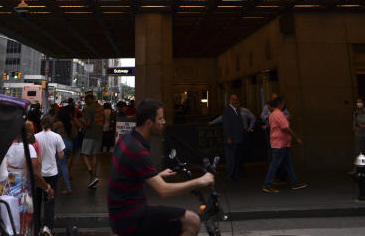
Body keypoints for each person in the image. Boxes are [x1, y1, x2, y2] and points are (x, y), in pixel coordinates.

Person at [107, 99, 213, 236]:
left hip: (120, 214)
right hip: (130, 217)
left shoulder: (126, 139)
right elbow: (164, 191)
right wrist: (201, 181)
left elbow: (127, 175)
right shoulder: (138, 150)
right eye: (161, 118)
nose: (164, 122)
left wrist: (157, 176)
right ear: (149, 123)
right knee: (192, 220)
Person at [6, 120, 53, 236]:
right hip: (22, 197)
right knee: (23, 228)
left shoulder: (9, 148)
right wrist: (48, 188)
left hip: (7, 195)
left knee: (10, 227)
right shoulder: (29, 149)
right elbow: (35, 175)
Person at [262, 97, 308, 193]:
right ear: (279, 104)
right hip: (280, 144)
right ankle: (267, 184)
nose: (284, 105)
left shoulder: (272, 114)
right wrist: (296, 138)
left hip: (281, 143)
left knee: (288, 164)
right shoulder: (278, 114)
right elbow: (285, 128)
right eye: (283, 103)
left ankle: (295, 183)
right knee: (275, 164)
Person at [34, 115, 64, 236]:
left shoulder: (35, 137)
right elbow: (61, 155)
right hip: (52, 173)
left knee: (36, 201)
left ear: (41, 124)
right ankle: (47, 227)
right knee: (49, 200)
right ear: (52, 124)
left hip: (38, 174)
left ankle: (36, 227)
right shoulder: (57, 137)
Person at [208, 94, 249, 181]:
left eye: (237, 99)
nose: (235, 101)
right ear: (230, 101)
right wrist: (229, 137)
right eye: (234, 100)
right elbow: (226, 126)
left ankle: (234, 175)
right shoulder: (227, 111)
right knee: (231, 158)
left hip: (238, 139)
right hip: (231, 139)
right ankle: (229, 176)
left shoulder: (237, 110)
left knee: (237, 158)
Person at [80, 93, 104, 188]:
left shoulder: (89, 108)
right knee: (94, 155)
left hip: (90, 134)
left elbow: (88, 123)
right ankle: (93, 179)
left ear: (89, 99)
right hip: (98, 134)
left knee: (84, 154)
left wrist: (82, 121)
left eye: (86, 100)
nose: (85, 102)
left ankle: (92, 175)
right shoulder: (100, 107)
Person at [51, 111, 72, 194]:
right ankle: (53, 183)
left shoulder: (58, 123)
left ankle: (68, 187)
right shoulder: (71, 123)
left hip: (61, 144)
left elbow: (49, 128)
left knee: (63, 165)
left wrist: (54, 117)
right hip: (70, 144)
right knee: (61, 165)